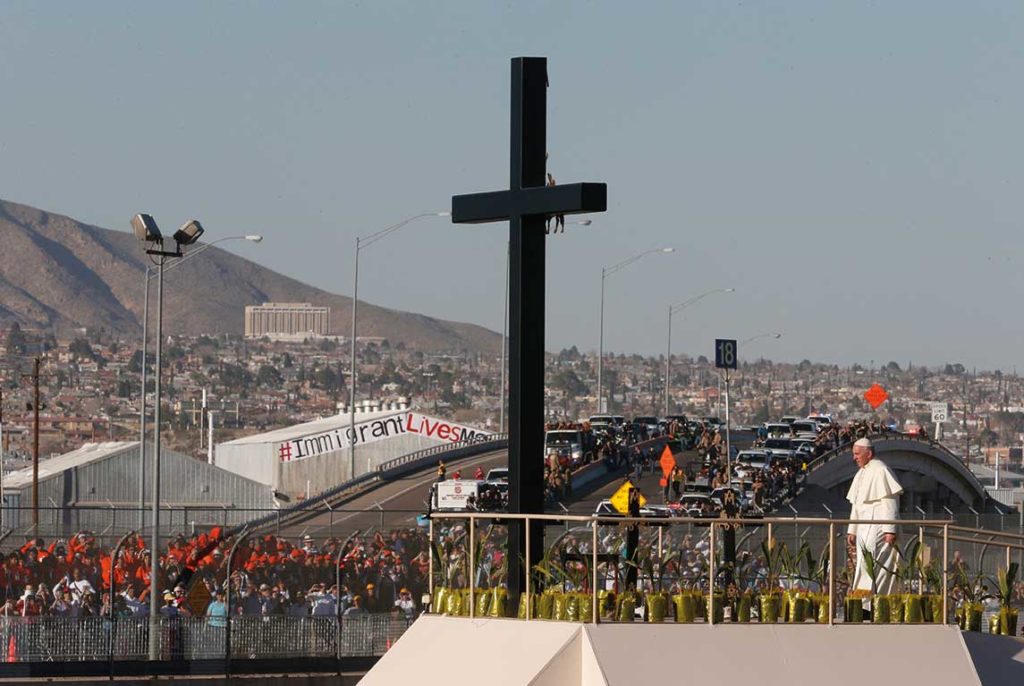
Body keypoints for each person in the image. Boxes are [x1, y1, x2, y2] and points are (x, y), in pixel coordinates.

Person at [846, 437, 903, 596]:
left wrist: (890, 529)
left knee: (876, 567)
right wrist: (852, 529)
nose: (854, 458)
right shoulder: (861, 473)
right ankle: (863, 602)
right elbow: (857, 504)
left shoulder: (880, 470)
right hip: (864, 528)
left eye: (857, 454)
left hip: (878, 528)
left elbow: (890, 501)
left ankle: (874, 602)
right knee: (862, 566)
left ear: (869, 454)